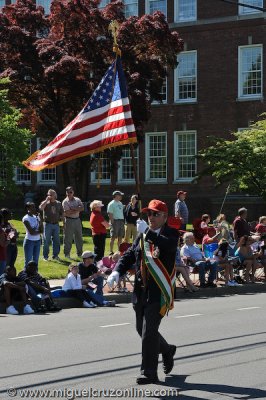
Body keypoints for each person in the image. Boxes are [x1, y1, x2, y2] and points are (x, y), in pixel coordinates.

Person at [107, 199, 179, 384]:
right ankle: (167, 350)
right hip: (141, 290)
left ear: (165, 217)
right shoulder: (141, 235)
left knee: (149, 331)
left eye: (155, 214)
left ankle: (149, 372)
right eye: (149, 214)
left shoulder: (171, 233)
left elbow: (168, 246)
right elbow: (130, 254)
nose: (151, 217)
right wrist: (116, 271)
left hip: (158, 291)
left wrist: (147, 231)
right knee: (142, 329)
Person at [39, 189, 63, 261]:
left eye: (51, 194)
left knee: (56, 241)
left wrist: (63, 219)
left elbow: (62, 213)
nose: (49, 196)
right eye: (48, 194)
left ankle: (55, 255)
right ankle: (45, 256)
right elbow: (40, 208)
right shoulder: (45, 203)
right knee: (46, 241)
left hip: (56, 224)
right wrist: (46, 201)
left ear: (55, 195)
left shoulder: (59, 203)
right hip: (47, 224)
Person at [62, 186, 84, 259]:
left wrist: (73, 209)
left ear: (73, 192)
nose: (69, 194)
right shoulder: (65, 202)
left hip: (77, 220)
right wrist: (77, 209)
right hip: (69, 220)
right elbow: (67, 213)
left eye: (70, 192)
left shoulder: (77, 199)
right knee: (68, 238)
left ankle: (80, 253)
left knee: (79, 238)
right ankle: (67, 254)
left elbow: (82, 208)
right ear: (66, 193)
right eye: (68, 192)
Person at [22, 202, 43, 270]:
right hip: (29, 241)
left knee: (36, 260)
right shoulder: (25, 218)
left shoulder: (36, 217)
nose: (34, 208)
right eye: (32, 207)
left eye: (34, 207)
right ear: (28, 208)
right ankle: (26, 276)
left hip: (37, 241)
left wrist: (40, 220)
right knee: (28, 261)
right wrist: (38, 231)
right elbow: (31, 232)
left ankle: (35, 276)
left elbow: (41, 230)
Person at [107, 190, 125, 254]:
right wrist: (112, 221)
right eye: (120, 195)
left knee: (120, 236)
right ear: (116, 196)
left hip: (121, 221)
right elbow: (110, 213)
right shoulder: (111, 203)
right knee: (113, 236)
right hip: (115, 221)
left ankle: (119, 250)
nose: (121, 196)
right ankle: (111, 251)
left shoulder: (120, 203)